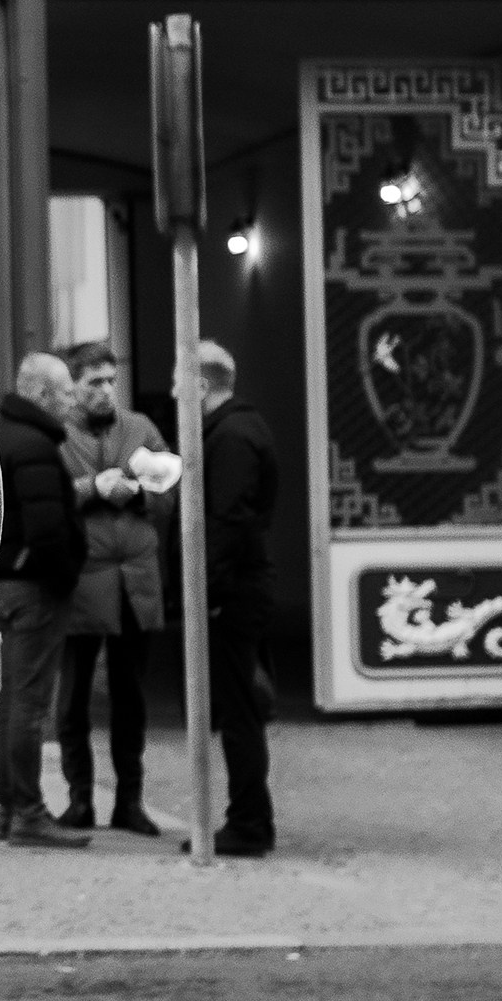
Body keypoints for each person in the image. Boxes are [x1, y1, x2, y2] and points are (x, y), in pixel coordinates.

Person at [54, 342, 176, 838]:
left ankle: (130, 800)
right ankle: (79, 799)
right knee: (75, 697)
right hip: (83, 579)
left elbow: (173, 490)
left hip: (136, 581)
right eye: (93, 383)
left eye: (110, 381)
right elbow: (45, 497)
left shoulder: (142, 429)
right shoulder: (59, 434)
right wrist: (91, 489)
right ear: (76, 387)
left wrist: (142, 490)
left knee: (131, 696)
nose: (105, 391)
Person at [0, 352, 88, 846]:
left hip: (5, 583)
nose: (73, 401)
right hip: (34, 588)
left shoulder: (1, 434)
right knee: (29, 703)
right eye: (67, 391)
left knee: (10, 699)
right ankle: (28, 812)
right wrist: (68, 574)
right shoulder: (36, 446)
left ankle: (8, 808)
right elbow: (48, 529)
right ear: (45, 395)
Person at [195, 339, 280, 857]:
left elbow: (226, 521)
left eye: (182, 380)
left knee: (239, 711)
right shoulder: (240, 429)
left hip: (236, 591)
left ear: (202, 385)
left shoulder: (230, 436)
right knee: (241, 705)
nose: (176, 389)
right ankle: (249, 818)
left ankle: (248, 822)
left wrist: (210, 592)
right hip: (245, 584)